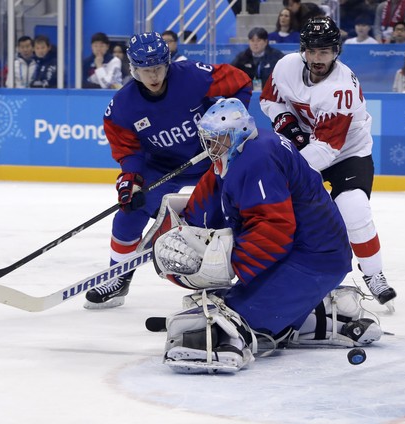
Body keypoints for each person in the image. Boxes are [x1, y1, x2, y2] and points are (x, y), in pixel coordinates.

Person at [152, 98, 383, 373]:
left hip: (313, 261)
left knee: (220, 319)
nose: (211, 146)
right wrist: (186, 225)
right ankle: (310, 313)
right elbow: (214, 190)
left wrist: (229, 264)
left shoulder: (258, 158)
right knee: (218, 305)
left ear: (236, 135)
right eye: (208, 139)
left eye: (217, 139)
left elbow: (274, 230)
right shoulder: (240, 151)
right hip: (299, 255)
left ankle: (316, 312)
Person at [83, 32, 252, 309]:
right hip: (161, 168)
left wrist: (230, 124)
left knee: (226, 215)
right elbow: (128, 152)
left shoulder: (192, 76)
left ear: (168, 63)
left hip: (211, 159)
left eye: (159, 68)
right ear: (133, 69)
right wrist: (131, 181)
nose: (154, 76)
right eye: (146, 70)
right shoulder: (123, 108)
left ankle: (233, 279)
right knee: (129, 212)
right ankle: (118, 275)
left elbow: (241, 82)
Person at [260, 17, 397, 309]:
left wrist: (287, 174)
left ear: (336, 52)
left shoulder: (341, 89)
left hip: (348, 154)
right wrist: (285, 122)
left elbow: (325, 150)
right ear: (303, 50)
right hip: (305, 146)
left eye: (325, 51)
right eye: (312, 51)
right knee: (291, 218)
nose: (317, 58)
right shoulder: (286, 67)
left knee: (354, 210)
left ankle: (373, 273)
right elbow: (268, 99)